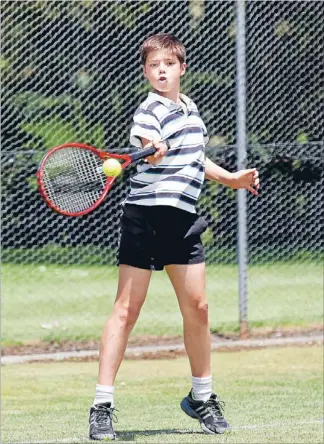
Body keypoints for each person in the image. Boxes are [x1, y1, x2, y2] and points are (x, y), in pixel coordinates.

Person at [89, 33, 260, 440]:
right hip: (145, 218)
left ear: (181, 68)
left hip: (182, 220)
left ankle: (201, 397)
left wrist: (231, 179)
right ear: (146, 72)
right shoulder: (149, 110)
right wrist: (154, 148)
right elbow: (151, 143)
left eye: (167, 64)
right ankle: (102, 406)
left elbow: (195, 157)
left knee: (198, 308)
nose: (160, 71)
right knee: (126, 311)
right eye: (152, 66)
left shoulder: (190, 110)